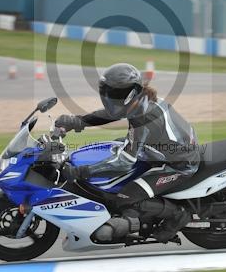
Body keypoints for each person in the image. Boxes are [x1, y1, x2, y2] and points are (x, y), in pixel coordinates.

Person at [55, 63, 200, 243]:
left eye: (115, 94)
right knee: (112, 146)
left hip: (178, 166)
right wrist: (78, 121)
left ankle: (179, 214)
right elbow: (112, 113)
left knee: (125, 197)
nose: (110, 98)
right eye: (109, 93)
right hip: (163, 152)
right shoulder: (140, 101)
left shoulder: (144, 119)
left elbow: (124, 162)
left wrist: (82, 172)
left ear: (131, 93)